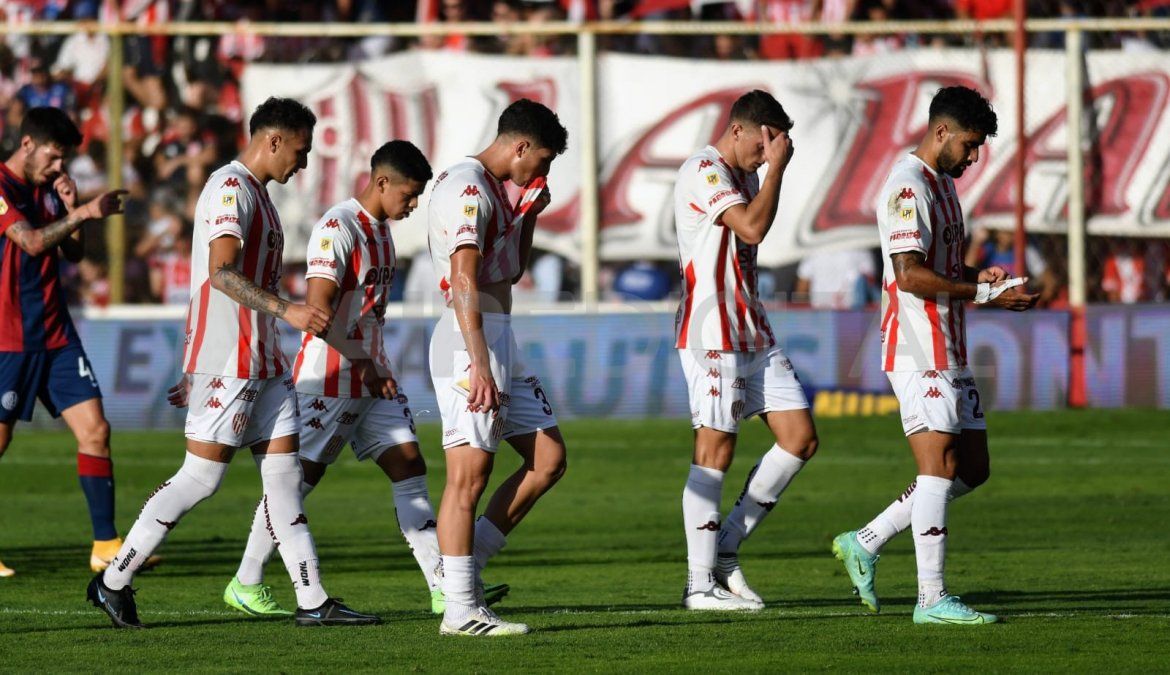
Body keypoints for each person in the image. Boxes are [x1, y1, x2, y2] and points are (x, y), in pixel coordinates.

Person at [86, 97, 378, 629]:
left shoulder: (259, 197)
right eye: (300, 149)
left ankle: (313, 601)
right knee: (200, 478)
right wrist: (283, 310)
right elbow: (220, 272)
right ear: (273, 140)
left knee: (285, 480)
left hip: (262, 362)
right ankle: (113, 578)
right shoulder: (230, 188)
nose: (304, 162)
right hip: (230, 362)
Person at [213, 140, 506, 617]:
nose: (412, 206)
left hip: (371, 380)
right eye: (408, 196)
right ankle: (246, 579)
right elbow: (319, 311)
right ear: (382, 181)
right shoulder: (338, 227)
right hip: (327, 378)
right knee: (296, 484)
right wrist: (363, 363)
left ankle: (443, 583)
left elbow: (366, 312)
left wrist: (375, 367)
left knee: (410, 466)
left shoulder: (382, 232)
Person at [831, 86, 1038, 625]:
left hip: (949, 346)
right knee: (939, 469)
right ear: (941, 131)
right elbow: (910, 275)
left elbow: (941, 267)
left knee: (973, 468)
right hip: (918, 348)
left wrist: (980, 278)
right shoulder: (907, 187)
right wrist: (987, 295)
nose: (973, 158)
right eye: (969, 146)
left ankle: (866, 540)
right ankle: (931, 599)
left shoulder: (942, 186)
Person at [426, 98, 568, 636]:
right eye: (544, 161)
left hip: (496, 337)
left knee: (548, 458)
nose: (544, 172)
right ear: (521, 146)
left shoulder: (495, 191)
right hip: (470, 342)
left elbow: (510, 271)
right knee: (469, 476)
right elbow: (463, 277)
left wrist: (528, 215)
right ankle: (460, 610)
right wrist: (480, 361)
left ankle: (460, 571)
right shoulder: (468, 187)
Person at [672, 90, 818, 611]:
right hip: (712, 332)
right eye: (763, 146)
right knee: (716, 450)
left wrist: (766, 172)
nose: (766, 156)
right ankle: (698, 585)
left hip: (752, 328)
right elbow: (752, 226)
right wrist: (777, 171)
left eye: (772, 149)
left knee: (799, 437)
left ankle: (726, 548)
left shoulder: (748, 176)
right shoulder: (703, 170)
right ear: (738, 131)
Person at [0, 107, 129, 577]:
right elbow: (32, 243)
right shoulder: (1, 186)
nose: (59, 167)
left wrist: (75, 212)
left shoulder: (49, 189)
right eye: (54, 157)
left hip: (57, 336)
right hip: (9, 337)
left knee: (96, 431)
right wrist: (87, 212)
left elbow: (69, 253)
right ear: (28, 144)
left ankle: (105, 545)